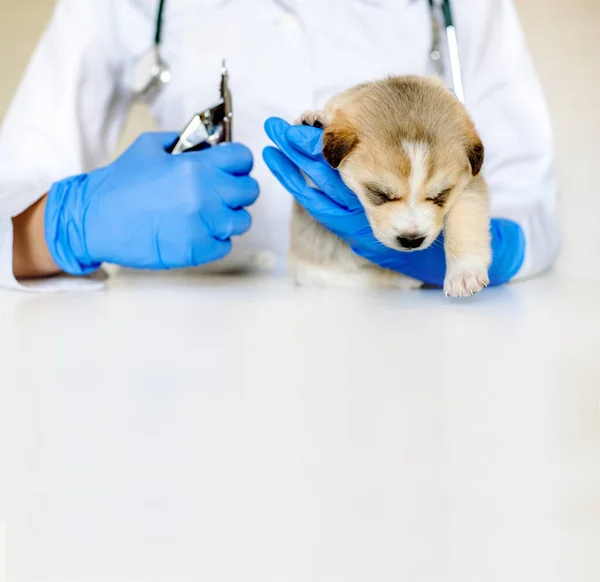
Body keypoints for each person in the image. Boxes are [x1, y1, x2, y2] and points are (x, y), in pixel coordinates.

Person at [0, 0, 559, 292]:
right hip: (187, 348)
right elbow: (14, 196)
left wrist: (477, 251)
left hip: (396, 339)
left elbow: (525, 195)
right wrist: (68, 225)